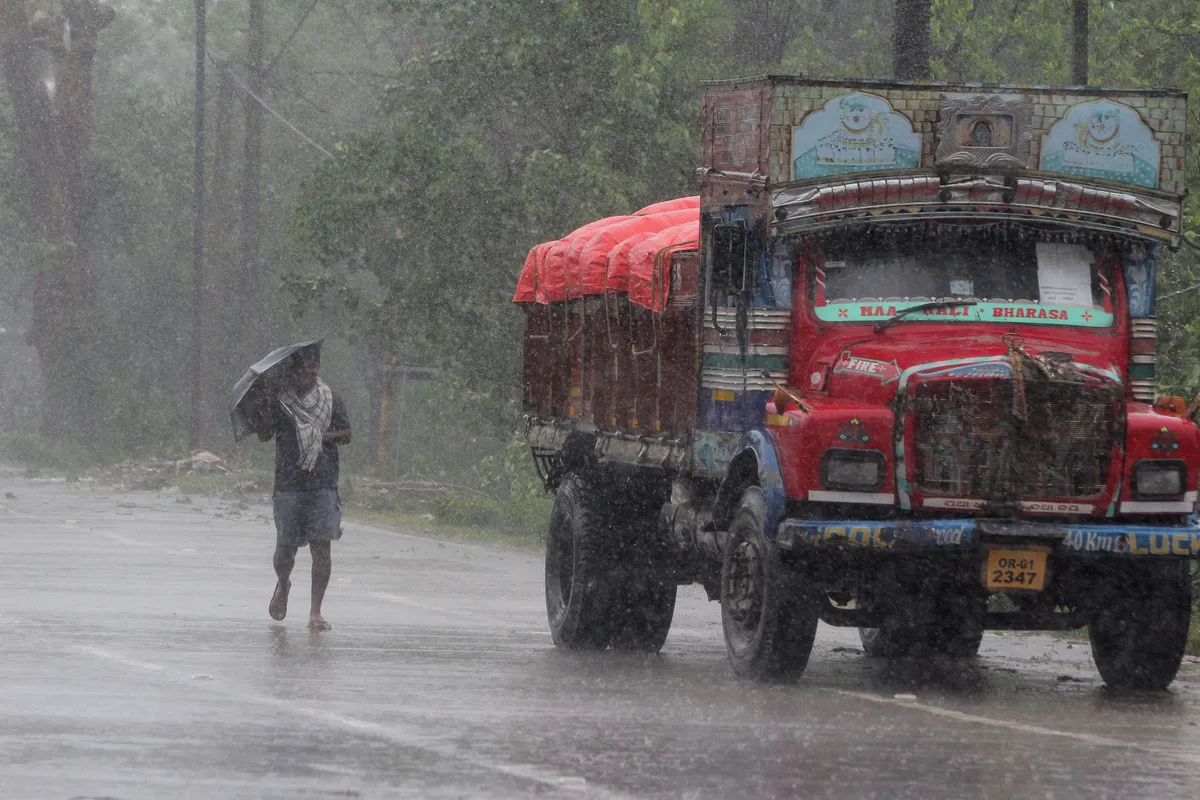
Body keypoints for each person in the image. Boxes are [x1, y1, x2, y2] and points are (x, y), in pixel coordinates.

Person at [254, 348, 351, 630]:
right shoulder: (281, 402)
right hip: (288, 485)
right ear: (293, 371)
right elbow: (263, 433)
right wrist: (266, 401)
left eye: (315, 366)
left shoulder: (330, 399)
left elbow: (346, 434)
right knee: (285, 551)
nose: (312, 371)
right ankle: (283, 583)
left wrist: (319, 435)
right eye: (306, 367)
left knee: (322, 548)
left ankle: (315, 612)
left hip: (323, 483)